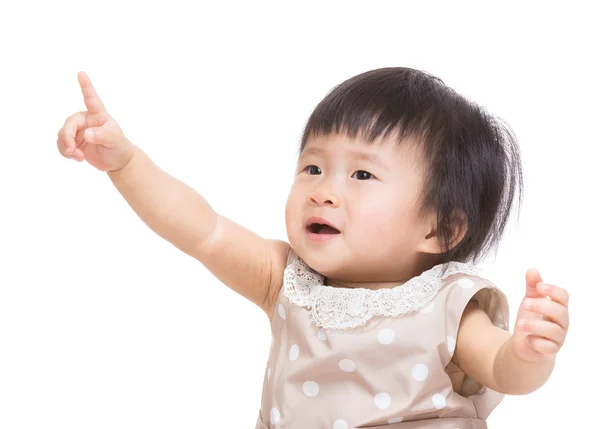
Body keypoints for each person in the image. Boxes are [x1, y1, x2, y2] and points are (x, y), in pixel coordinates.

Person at [56, 67, 570, 428]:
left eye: (362, 174)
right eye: (313, 167)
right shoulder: (285, 280)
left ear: (438, 231)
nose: (324, 189)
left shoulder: (448, 307)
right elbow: (202, 229)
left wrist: (529, 351)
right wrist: (126, 164)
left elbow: (505, 369)